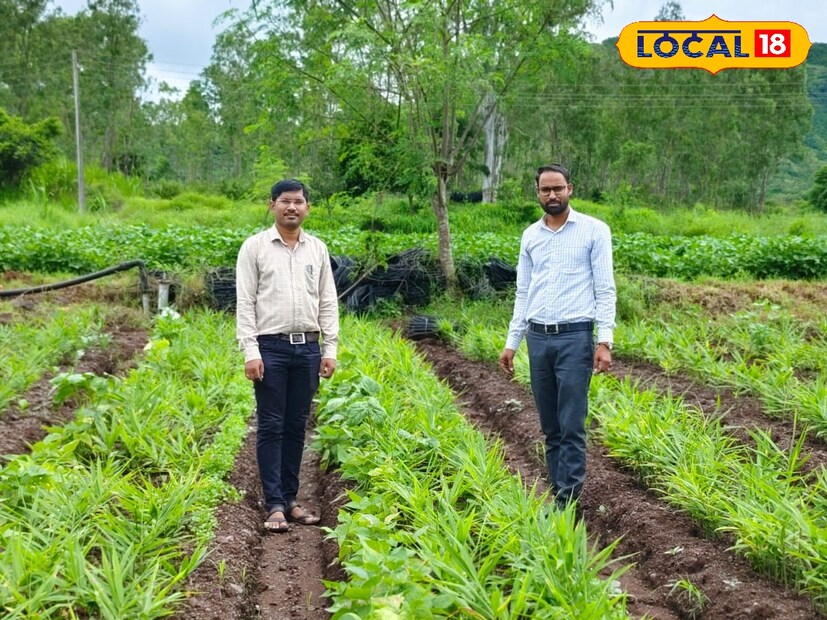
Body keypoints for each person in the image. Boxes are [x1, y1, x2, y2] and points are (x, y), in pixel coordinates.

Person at [498, 163, 616, 510]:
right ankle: (559, 493)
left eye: (558, 188)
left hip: (575, 338)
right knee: (550, 427)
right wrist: (512, 342)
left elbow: (605, 289)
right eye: (545, 190)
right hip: (538, 338)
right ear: (537, 193)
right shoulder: (530, 236)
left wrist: (604, 341)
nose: (552, 195)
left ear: (570, 189)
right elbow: (523, 292)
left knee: (571, 424)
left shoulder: (594, 231)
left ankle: (567, 502)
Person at [236, 178, 339, 532]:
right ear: (272, 206)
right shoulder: (255, 248)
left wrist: (329, 348)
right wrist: (250, 350)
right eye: (284, 201)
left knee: (297, 425)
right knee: (271, 424)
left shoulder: (317, 249)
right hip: (271, 348)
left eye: (298, 201)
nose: (291, 207)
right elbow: (245, 302)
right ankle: (274, 504)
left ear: (307, 208)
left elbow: (327, 301)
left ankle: (291, 500)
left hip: (308, 348)